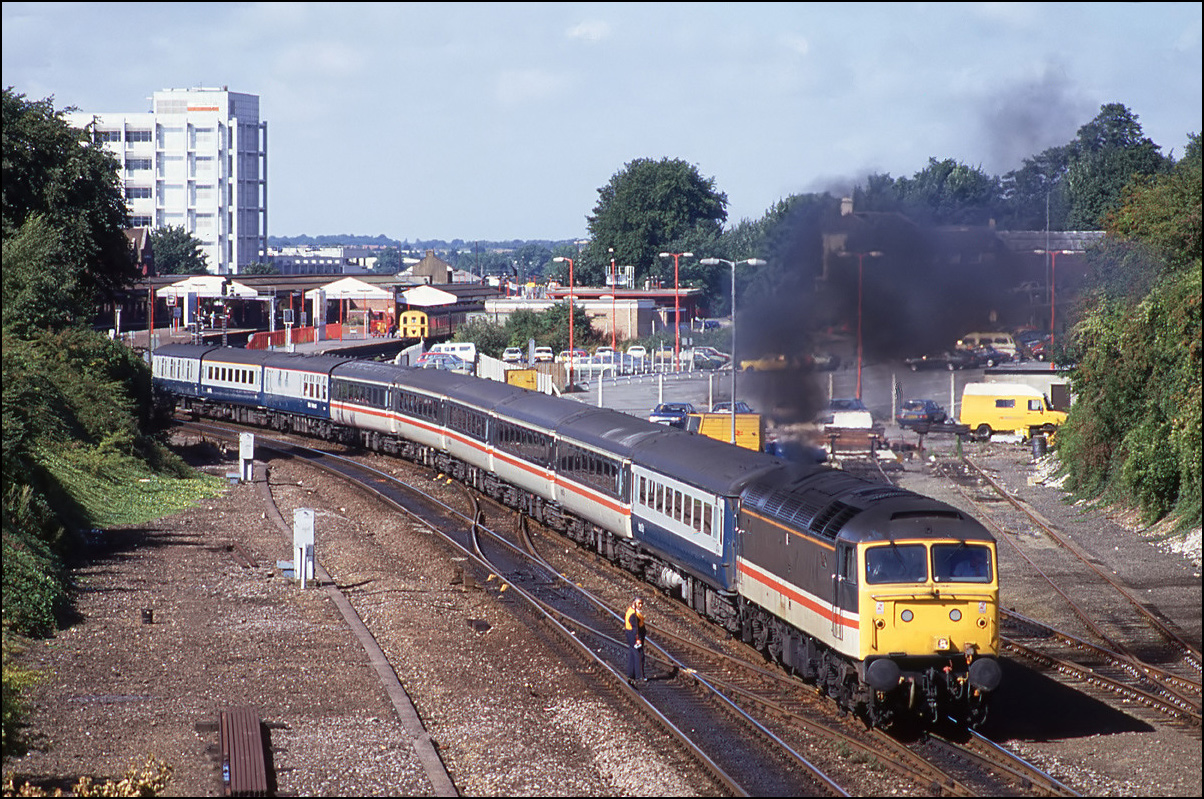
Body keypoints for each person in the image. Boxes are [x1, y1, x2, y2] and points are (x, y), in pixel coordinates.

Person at [625, 597, 646, 684]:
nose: (641, 605)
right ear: (634, 603)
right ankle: (639, 676)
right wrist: (638, 639)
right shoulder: (633, 615)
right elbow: (635, 628)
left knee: (632, 654)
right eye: (639, 603)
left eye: (641, 603)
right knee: (639, 655)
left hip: (630, 635)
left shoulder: (630, 610)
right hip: (634, 636)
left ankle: (631, 674)